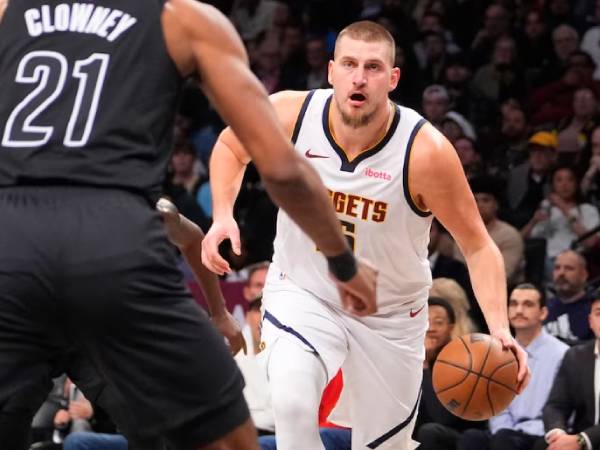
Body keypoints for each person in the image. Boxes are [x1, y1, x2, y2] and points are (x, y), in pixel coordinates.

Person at [0, 1, 377, 449]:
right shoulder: (185, 19)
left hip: (10, 233)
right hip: (111, 233)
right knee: (230, 437)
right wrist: (343, 260)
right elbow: (282, 169)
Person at [202, 20, 530, 450]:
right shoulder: (291, 113)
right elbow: (231, 145)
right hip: (306, 292)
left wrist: (501, 328)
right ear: (331, 70)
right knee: (292, 403)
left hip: (390, 317)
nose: (360, 78)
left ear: (392, 78)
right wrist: (222, 214)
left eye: (373, 67)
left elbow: (478, 245)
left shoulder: (424, 151)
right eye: (351, 64)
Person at [457, 283, 568, 450]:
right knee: (471, 438)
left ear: (543, 313)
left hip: (541, 434)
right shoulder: (497, 352)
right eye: (514, 304)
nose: (519, 310)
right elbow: (496, 406)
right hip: (505, 433)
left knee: (504, 440)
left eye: (528, 304)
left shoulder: (562, 354)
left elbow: (562, 408)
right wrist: (505, 429)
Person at [415, 297, 486, 450]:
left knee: (429, 432)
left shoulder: (462, 361)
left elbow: (441, 419)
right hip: (420, 433)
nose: (430, 328)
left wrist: (424, 363)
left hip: (460, 436)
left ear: (451, 327)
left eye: (438, 322)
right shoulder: (409, 360)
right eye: (425, 322)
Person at [535, 287, 600, 450]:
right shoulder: (575, 356)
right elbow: (555, 405)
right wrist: (559, 434)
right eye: (599, 313)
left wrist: (582, 440)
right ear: (590, 321)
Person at [544, 250, 595, 343]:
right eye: (557, 268)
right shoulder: (544, 307)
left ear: (583, 275)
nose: (561, 273)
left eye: (569, 268)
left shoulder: (594, 310)